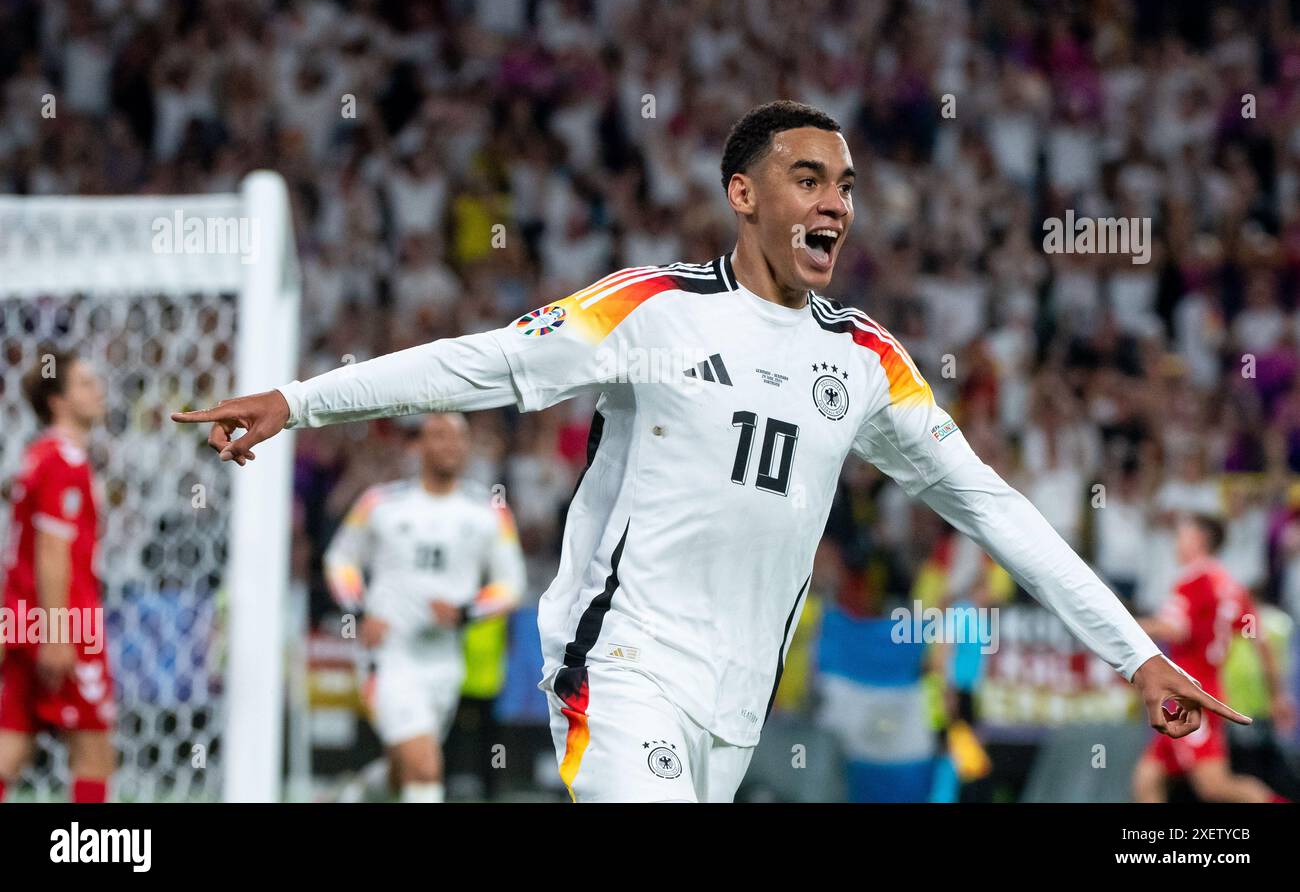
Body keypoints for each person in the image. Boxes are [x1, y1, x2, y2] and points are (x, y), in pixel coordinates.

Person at [175, 100, 1247, 803]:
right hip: (622, 659)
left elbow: (991, 504)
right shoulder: (651, 308)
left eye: (846, 184)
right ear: (744, 195)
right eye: (809, 178)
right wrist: (299, 399)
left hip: (742, 692)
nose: (836, 201)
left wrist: (1134, 652)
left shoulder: (867, 358)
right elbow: (486, 363)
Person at [325, 414, 525, 803]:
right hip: (388, 654)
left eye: (457, 438)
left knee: (407, 769)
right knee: (426, 766)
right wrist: (360, 610)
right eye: (438, 436)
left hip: (445, 661)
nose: (449, 445)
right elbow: (340, 559)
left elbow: (511, 582)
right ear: (417, 446)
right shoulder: (380, 502)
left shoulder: (489, 512)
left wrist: (468, 611)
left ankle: (360, 792)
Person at [0, 350, 116, 802]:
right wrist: (57, 632)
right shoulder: (63, 460)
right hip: (65, 620)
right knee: (94, 753)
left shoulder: (37, 456)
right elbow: (52, 551)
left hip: (24, 616)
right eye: (86, 384)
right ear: (59, 402)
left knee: (12, 744)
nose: (99, 390)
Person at [1131, 513, 1293, 803]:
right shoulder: (1231, 587)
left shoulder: (1193, 583)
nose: (1176, 543)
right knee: (1147, 778)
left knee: (1214, 786)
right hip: (1204, 689)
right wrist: (1277, 695)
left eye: (1182, 535)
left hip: (1190, 696)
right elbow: (1261, 641)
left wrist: (1121, 626)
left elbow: (1174, 628)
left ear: (1200, 540)